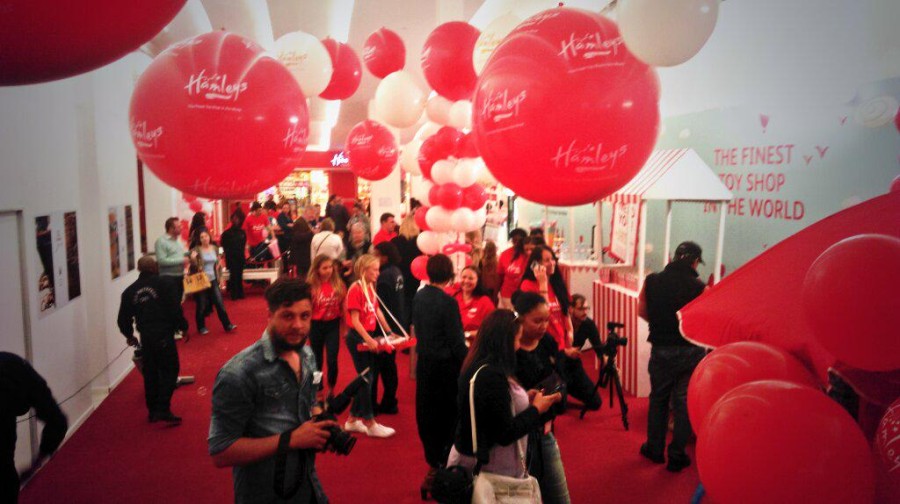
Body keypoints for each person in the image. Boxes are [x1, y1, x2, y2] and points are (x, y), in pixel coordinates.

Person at [208, 279, 339, 503]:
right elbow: (221, 451)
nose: (298, 325)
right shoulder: (239, 373)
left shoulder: (307, 355)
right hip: (264, 494)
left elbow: (309, 404)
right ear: (270, 315)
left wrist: (321, 423)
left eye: (305, 316)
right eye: (288, 316)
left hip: (308, 486)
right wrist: (292, 439)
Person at [445, 311, 560, 487]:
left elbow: (493, 410)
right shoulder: (490, 375)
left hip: (482, 460)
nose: (519, 346)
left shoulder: (478, 363)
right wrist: (536, 409)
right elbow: (504, 433)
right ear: (505, 341)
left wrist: (523, 399)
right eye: (518, 339)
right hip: (489, 468)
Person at [638, 241, 709, 473]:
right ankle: (677, 455)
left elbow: (642, 311)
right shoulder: (700, 288)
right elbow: (704, 321)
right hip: (691, 351)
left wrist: (661, 325)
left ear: (674, 257)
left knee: (658, 398)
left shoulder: (652, 281)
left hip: (662, 348)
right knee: (683, 403)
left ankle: (654, 450)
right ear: (695, 262)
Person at [412, 254, 468, 494]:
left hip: (425, 364)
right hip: (446, 369)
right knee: (447, 417)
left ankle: (435, 464)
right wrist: (469, 361)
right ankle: (443, 467)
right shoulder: (448, 303)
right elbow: (456, 343)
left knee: (427, 415)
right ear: (450, 274)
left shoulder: (419, 296)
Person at [520, 245, 600, 410]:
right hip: (547, 351)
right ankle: (561, 394)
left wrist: (570, 333)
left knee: (595, 402)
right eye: (546, 260)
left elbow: (565, 311)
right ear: (536, 264)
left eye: (553, 259)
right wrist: (542, 283)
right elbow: (542, 313)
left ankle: (564, 389)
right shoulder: (528, 285)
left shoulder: (557, 284)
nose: (552, 263)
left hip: (565, 349)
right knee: (558, 406)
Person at [513, 292, 572, 504]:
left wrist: (559, 393)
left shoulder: (547, 341)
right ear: (520, 319)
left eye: (547, 320)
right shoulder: (510, 349)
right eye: (537, 321)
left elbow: (561, 376)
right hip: (516, 439)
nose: (544, 326)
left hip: (545, 432)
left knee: (559, 497)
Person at [117, 256, 188, 424]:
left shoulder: (129, 291)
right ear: (154, 267)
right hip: (164, 334)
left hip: (146, 337)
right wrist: (183, 326)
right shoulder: (165, 283)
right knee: (170, 369)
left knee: (151, 373)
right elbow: (174, 308)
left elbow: (122, 319)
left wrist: (129, 335)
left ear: (139, 269)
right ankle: (163, 407)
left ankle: (152, 411)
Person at [1, 352, 68, 503]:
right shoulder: (18, 371)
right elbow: (57, 420)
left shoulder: (16, 370)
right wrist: (37, 462)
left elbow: (57, 421)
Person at [342, 254, 397, 438]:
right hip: (358, 337)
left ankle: (352, 420)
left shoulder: (370, 287)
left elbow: (377, 310)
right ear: (364, 270)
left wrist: (389, 332)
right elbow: (355, 320)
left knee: (367, 378)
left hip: (368, 335)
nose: (378, 273)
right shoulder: (356, 289)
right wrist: (368, 339)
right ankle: (369, 421)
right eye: (374, 270)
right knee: (366, 379)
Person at [372, 242, 404, 415]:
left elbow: (380, 307)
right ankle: (390, 400)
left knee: (382, 367)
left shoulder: (383, 277)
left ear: (384, 257)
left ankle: (385, 402)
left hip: (385, 328)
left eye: (376, 254)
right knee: (390, 366)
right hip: (396, 323)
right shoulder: (396, 272)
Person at [306, 254, 346, 395]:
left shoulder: (338, 284)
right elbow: (305, 309)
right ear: (317, 269)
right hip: (315, 325)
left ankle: (331, 386)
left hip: (332, 325)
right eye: (325, 268)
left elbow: (343, 307)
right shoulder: (310, 286)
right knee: (316, 360)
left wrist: (345, 328)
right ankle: (317, 387)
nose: (329, 270)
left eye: (330, 267)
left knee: (332, 359)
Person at [189, 230, 237, 335]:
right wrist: (193, 259)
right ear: (199, 239)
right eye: (202, 237)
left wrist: (221, 276)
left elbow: (219, 261)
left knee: (219, 303)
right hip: (202, 280)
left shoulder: (215, 248)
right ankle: (201, 327)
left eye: (206, 236)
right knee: (201, 304)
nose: (204, 239)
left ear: (209, 237)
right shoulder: (196, 249)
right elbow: (193, 265)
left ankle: (227, 325)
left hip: (213, 279)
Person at [390, 213, 421, 331]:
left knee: (402, 307)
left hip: (399, 277)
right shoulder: (420, 242)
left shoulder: (395, 242)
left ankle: (403, 331)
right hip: (416, 277)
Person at [451, 266, 496, 343]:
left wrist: (467, 334)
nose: (466, 281)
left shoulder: (485, 302)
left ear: (478, 281)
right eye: (464, 277)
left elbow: (492, 328)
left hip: (475, 345)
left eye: (471, 278)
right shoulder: (454, 298)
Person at [155, 217, 188, 308]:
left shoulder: (178, 240)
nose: (181, 228)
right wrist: (182, 260)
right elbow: (161, 261)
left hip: (179, 276)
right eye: (179, 226)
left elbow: (179, 254)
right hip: (168, 278)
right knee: (171, 305)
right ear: (171, 228)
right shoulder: (161, 241)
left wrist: (189, 254)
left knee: (178, 303)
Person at [497, 229, 533, 310]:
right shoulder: (505, 254)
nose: (517, 243)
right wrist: (496, 293)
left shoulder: (530, 254)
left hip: (526, 294)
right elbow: (500, 275)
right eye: (514, 240)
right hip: (507, 295)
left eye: (519, 240)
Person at [220, 213, 247, 300]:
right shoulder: (228, 233)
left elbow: (243, 245)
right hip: (233, 256)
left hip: (236, 256)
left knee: (237, 274)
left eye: (237, 219)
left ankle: (238, 293)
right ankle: (236, 293)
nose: (236, 220)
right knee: (235, 275)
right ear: (232, 220)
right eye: (235, 219)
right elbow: (223, 245)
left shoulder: (241, 232)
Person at [479, 241, 501, 305]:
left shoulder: (482, 261)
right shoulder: (498, 261)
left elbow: (479, 274)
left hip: (484, 285)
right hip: (494, 286)